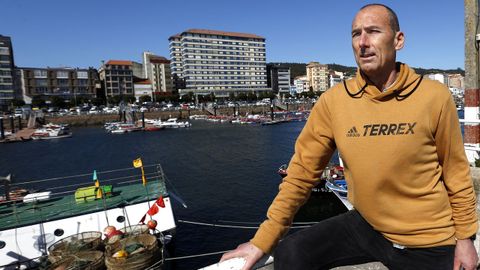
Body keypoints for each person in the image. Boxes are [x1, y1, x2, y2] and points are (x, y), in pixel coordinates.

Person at [221, 3, 479, 270]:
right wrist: (262, 240)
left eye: (373, 31)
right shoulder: (334, 101)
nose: (363, 43)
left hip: (428, 238)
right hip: (369, 226)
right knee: (291, 253)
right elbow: (301, 172)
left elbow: (455, 172)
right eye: (356, 34)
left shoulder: (433, 96)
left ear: (398, 40)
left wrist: (466, 238)